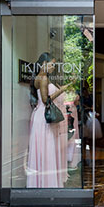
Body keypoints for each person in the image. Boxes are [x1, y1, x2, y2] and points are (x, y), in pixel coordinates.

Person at [27, 52, 70, 188]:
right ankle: (48, 184)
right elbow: (46, 100)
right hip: (44, 117)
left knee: (41, 149)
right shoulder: (44, 78)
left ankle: (41, 183)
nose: (53, 68)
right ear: (44, 64)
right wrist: (61, 90)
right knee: (47, 148)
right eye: (52, 64)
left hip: (38, 115)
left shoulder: (38, 77)